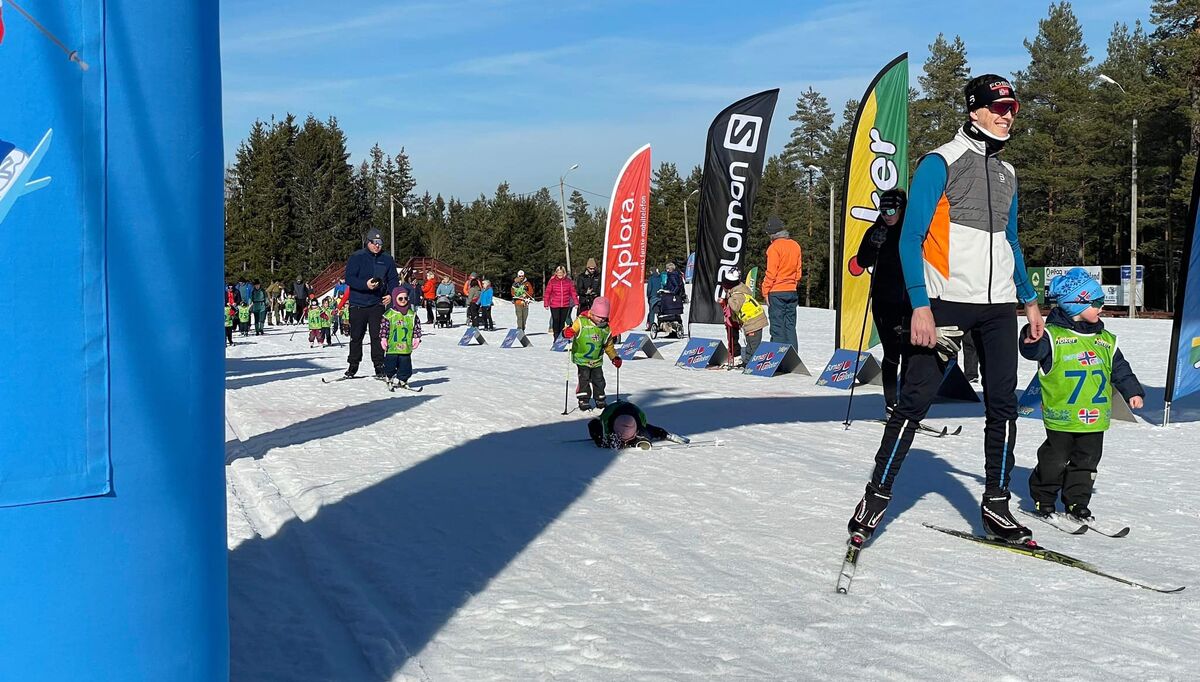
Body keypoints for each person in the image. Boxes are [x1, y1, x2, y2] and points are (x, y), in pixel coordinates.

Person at [847, 74, 1044, 544]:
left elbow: (1011, 241)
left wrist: (1030, 300)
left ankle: (996, 506)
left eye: (1011, 108)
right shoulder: (940, 162)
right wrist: (920, 306)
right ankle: (875, 498)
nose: (1006, 115)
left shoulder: (1008, 172)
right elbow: (910, 239)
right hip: (946, 305)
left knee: (1003, 408)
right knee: (912, 406)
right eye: (997, 107)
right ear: (974, 110)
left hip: (998, 309)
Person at [1021, 268, 1144, 523]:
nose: (1101, 307)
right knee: (1054, 459)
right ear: (1075, 304)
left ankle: (1077, 501)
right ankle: (1043, 498)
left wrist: (1132, 391)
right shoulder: (1053, 336)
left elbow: (1120, 369)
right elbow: (1033, 350)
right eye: (1096, 302)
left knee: (1086, 462)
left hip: (1094, 417)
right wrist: (1029, 340)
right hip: (1062, 416)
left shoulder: (1106, 340)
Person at [855, 189, 911, 413]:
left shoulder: (911, 230)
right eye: (882, 210)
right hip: (883, 302)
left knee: (910, 352)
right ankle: (891, 402)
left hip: (909, 301)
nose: (886, 215)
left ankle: (907, 401)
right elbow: (861, 261)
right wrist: (872, 244)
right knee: (891, 352)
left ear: (901, 209)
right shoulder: (877, 230)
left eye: (891, 210)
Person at [343, 228, 399, 379]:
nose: (377, 246)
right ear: (368, 242)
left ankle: (379, 365)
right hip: (358, 303)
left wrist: (391, 295)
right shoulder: (357, 257)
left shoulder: (387, 259)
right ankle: (353, 365)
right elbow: (349, 278)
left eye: (379, 243)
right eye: (374, 242)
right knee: (356, 336)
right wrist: (364, 285)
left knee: (377, 336)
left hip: (377, 303)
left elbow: (394, 280)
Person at [562, 296, 620, 411]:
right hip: (582, 358)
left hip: (596, 360)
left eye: (604, 317)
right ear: (592, 313)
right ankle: (583, 399)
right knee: (584, 378)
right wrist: (567, 332)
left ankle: (600, 398)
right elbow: (570, 331)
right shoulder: (581, 322)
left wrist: (614, 357)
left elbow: (608, 346)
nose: (601, 320)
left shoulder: (606, 329)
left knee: (599, 379)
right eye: (599, 317)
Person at [760, 215, 801, 351]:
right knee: (790, 325)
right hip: (791, 291)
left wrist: (765, 291)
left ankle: (778, 358)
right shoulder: (795, 245)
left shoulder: (774, 248)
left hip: (776, 291)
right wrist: (793, 284)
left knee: (778, 326)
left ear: (771, 233)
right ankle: (792, 357)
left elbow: (771, 272)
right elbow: (798, 271)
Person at [720, 267, 767, 367]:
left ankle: (753, 364)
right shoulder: (740, 289)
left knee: (753, 345)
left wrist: (728, 300)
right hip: (752, 321)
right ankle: (748, 362)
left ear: (727, 286)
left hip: (754, 322)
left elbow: (735, 307)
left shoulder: (737, 295)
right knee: (750, 343)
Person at [380, 286, 422, 389]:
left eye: (405, 298)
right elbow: (384, 327)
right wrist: (383, 338)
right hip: (392, 346)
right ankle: (389, 377)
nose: (403, 301)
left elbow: (416, 326)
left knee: (405, 365)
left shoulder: (411, 314)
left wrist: (417, 338)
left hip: (406, 346)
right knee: (390, 363)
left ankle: (403, 379)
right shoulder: (390, 314)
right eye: (400, 298)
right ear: (395, 299)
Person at [588, 400, 673, 450]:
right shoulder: (605, 422)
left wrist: (665, 434)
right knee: (602, 438)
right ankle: (618, 439)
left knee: (646, 433)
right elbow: (592, 424)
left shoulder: (640, 421)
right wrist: (599, 439)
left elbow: (653, 430)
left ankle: (637, 440)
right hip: (613, 409)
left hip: (633, 412)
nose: (625, 442)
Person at [544, 265, 578, 338]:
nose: (560, 274)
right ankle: (556, 337)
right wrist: (546, 303)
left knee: (562, 322)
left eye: (561, 273)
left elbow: (573, 292)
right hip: (554, 304)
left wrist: (576, 302)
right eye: (558, 272)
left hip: (565, 304)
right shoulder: (552, 281)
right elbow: (547, 292)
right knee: (556, 321)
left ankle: (560, 337)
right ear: (556, 273)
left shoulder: (568, 281)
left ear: (564, 273)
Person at [645, 266, 663, 331]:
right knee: (660, 311)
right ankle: (661, 325)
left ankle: (651, 326)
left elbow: (649, 288)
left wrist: (648, 296)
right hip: (661, 296)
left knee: (652, 311)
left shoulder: (651, 278)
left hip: (653, 296)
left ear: (652, 271)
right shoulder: (660, 277)